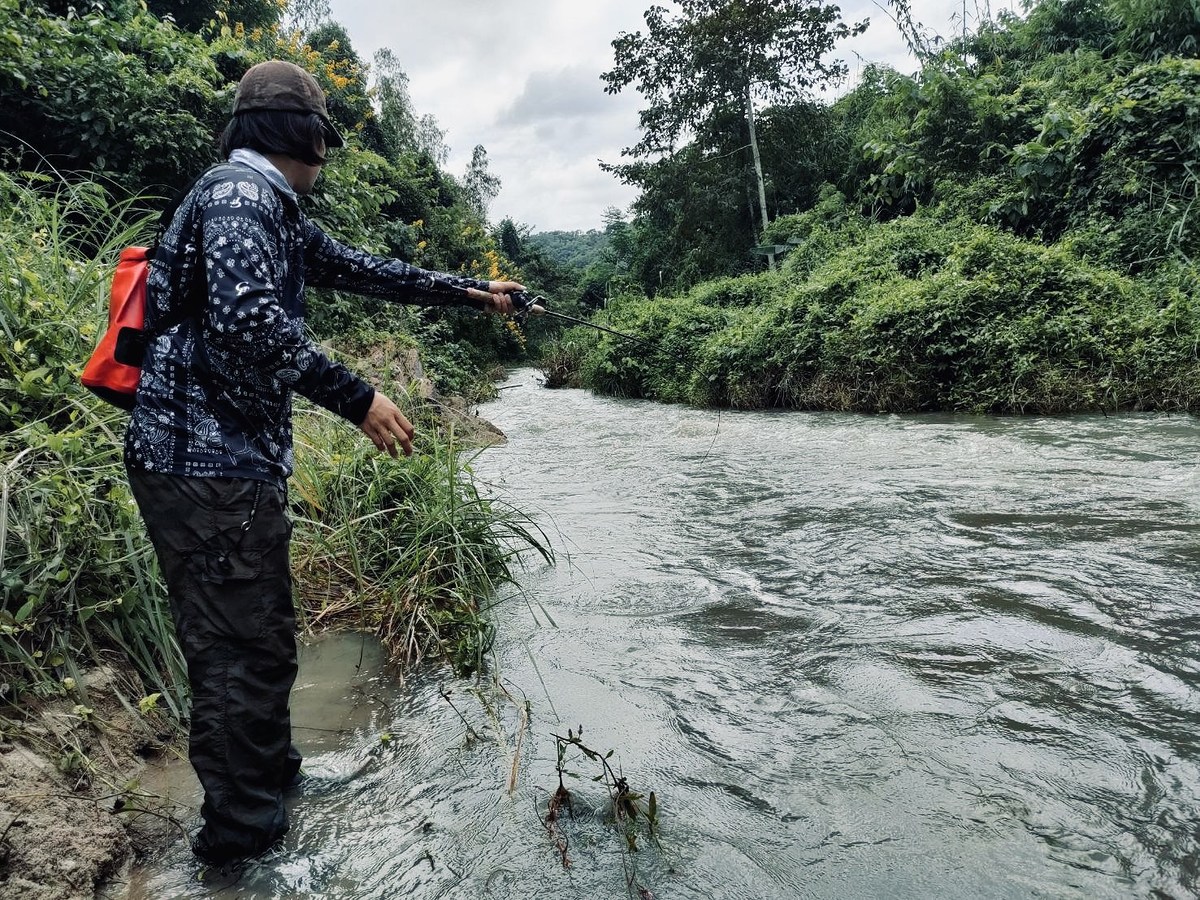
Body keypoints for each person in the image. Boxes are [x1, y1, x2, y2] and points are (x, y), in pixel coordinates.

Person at [124, 59, 522, 865]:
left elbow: (364, 269)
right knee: (240, 654)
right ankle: (240, 852)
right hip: (205, 467)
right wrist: (358, 396)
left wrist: (472, 291)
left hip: (223, 467)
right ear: (303, 135)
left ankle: (274, 797)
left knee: (259, 641)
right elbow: (245, 320)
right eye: (324, 135)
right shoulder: (240, 199)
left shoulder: (265, 203)